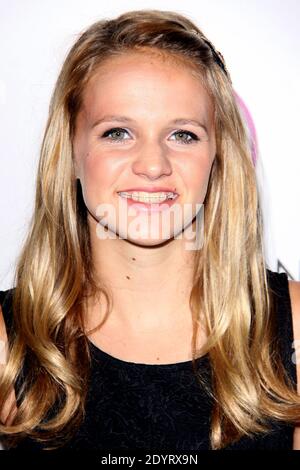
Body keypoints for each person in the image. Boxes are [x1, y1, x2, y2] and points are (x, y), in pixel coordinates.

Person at [0, 8, 300, 451]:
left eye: (183, 135)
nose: (153, 165)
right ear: (70, 151)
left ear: (219, 156)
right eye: (118, 132)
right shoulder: (9, 345)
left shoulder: (294, 327)